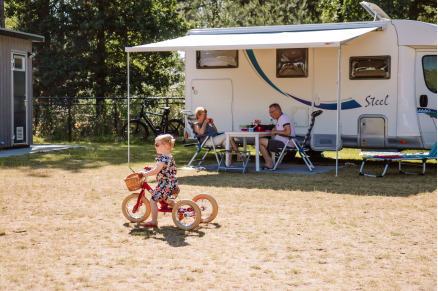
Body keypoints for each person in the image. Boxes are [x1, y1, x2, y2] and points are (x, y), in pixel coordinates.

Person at [137, 134, 179, 227]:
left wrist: (144, 174)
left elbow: (156, 170)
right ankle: (179, 209)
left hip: (165, 184)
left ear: (166, 146)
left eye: (157, 145)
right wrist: (153, 168)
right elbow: (162, 168)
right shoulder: (169, 156)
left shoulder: (163, 158)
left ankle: (154, 221)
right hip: (171, 183)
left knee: (153, 200)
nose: (155, 146)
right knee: (166, 200)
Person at [259, 103, 295, 169]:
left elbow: (288, 132)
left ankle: (269, 163)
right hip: (282, 143)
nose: (270, 114)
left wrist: (275, 132)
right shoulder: (280, 118)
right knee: (259, 140)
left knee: (259, 141)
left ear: (278, 111)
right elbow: (281, 129)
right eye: (269, 112)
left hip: (284, 144)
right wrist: (275, 129)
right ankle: (270, 162)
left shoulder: (283, 118)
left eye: (271, 112)